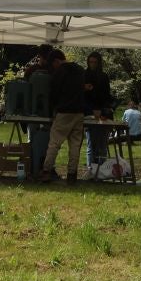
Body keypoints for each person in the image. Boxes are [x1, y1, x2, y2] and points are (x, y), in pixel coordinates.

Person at [40, 49, 86, 182]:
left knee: (54, 143)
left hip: (64, 112)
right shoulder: (80, 70)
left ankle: (46, 171)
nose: (52, 67)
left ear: (56, 61)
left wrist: (52, 109)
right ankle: (72, 175)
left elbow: (54, 93)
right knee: (75, 145)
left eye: (52, 64)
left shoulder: (60, 72)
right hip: (79, 112)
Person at [83, 52, 113, 167]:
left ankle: (102, 170)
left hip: (102, 111)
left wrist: (105, 109)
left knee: (102, 144)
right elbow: (82, 96)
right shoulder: (84, 75)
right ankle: (91, 169)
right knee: (91, 143)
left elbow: (106, 95)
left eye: (95, 62)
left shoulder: (103, 76)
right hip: (89, 112)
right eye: (91, 62)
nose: (92, 64)